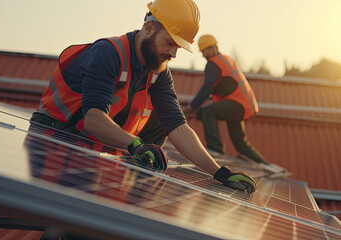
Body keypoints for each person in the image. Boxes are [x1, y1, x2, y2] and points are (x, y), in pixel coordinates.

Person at [31, 0, 257, 193]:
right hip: (54, 134)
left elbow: (178, 126)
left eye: (178, 47)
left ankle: (134, 182)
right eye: (170, 42)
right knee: (73, 222)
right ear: (149, 28)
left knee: (163, 119)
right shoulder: (108, 53)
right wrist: (135, 144)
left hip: (90, 141)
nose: (173, 53)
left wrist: (220, 172)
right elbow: (93, 118)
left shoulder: (158, 72)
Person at [182, 34, 268, 165]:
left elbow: (207, 89)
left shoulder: (212, 64)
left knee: (208, 112)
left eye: (204, 51)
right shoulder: (225, 59)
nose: (203, 55)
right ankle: (265, 164)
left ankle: (215, 149)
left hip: (237, 104)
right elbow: (219, 89)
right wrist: (196, 109)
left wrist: (190, 107)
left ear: (212, 48)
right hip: (242, 104)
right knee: (240, 143)